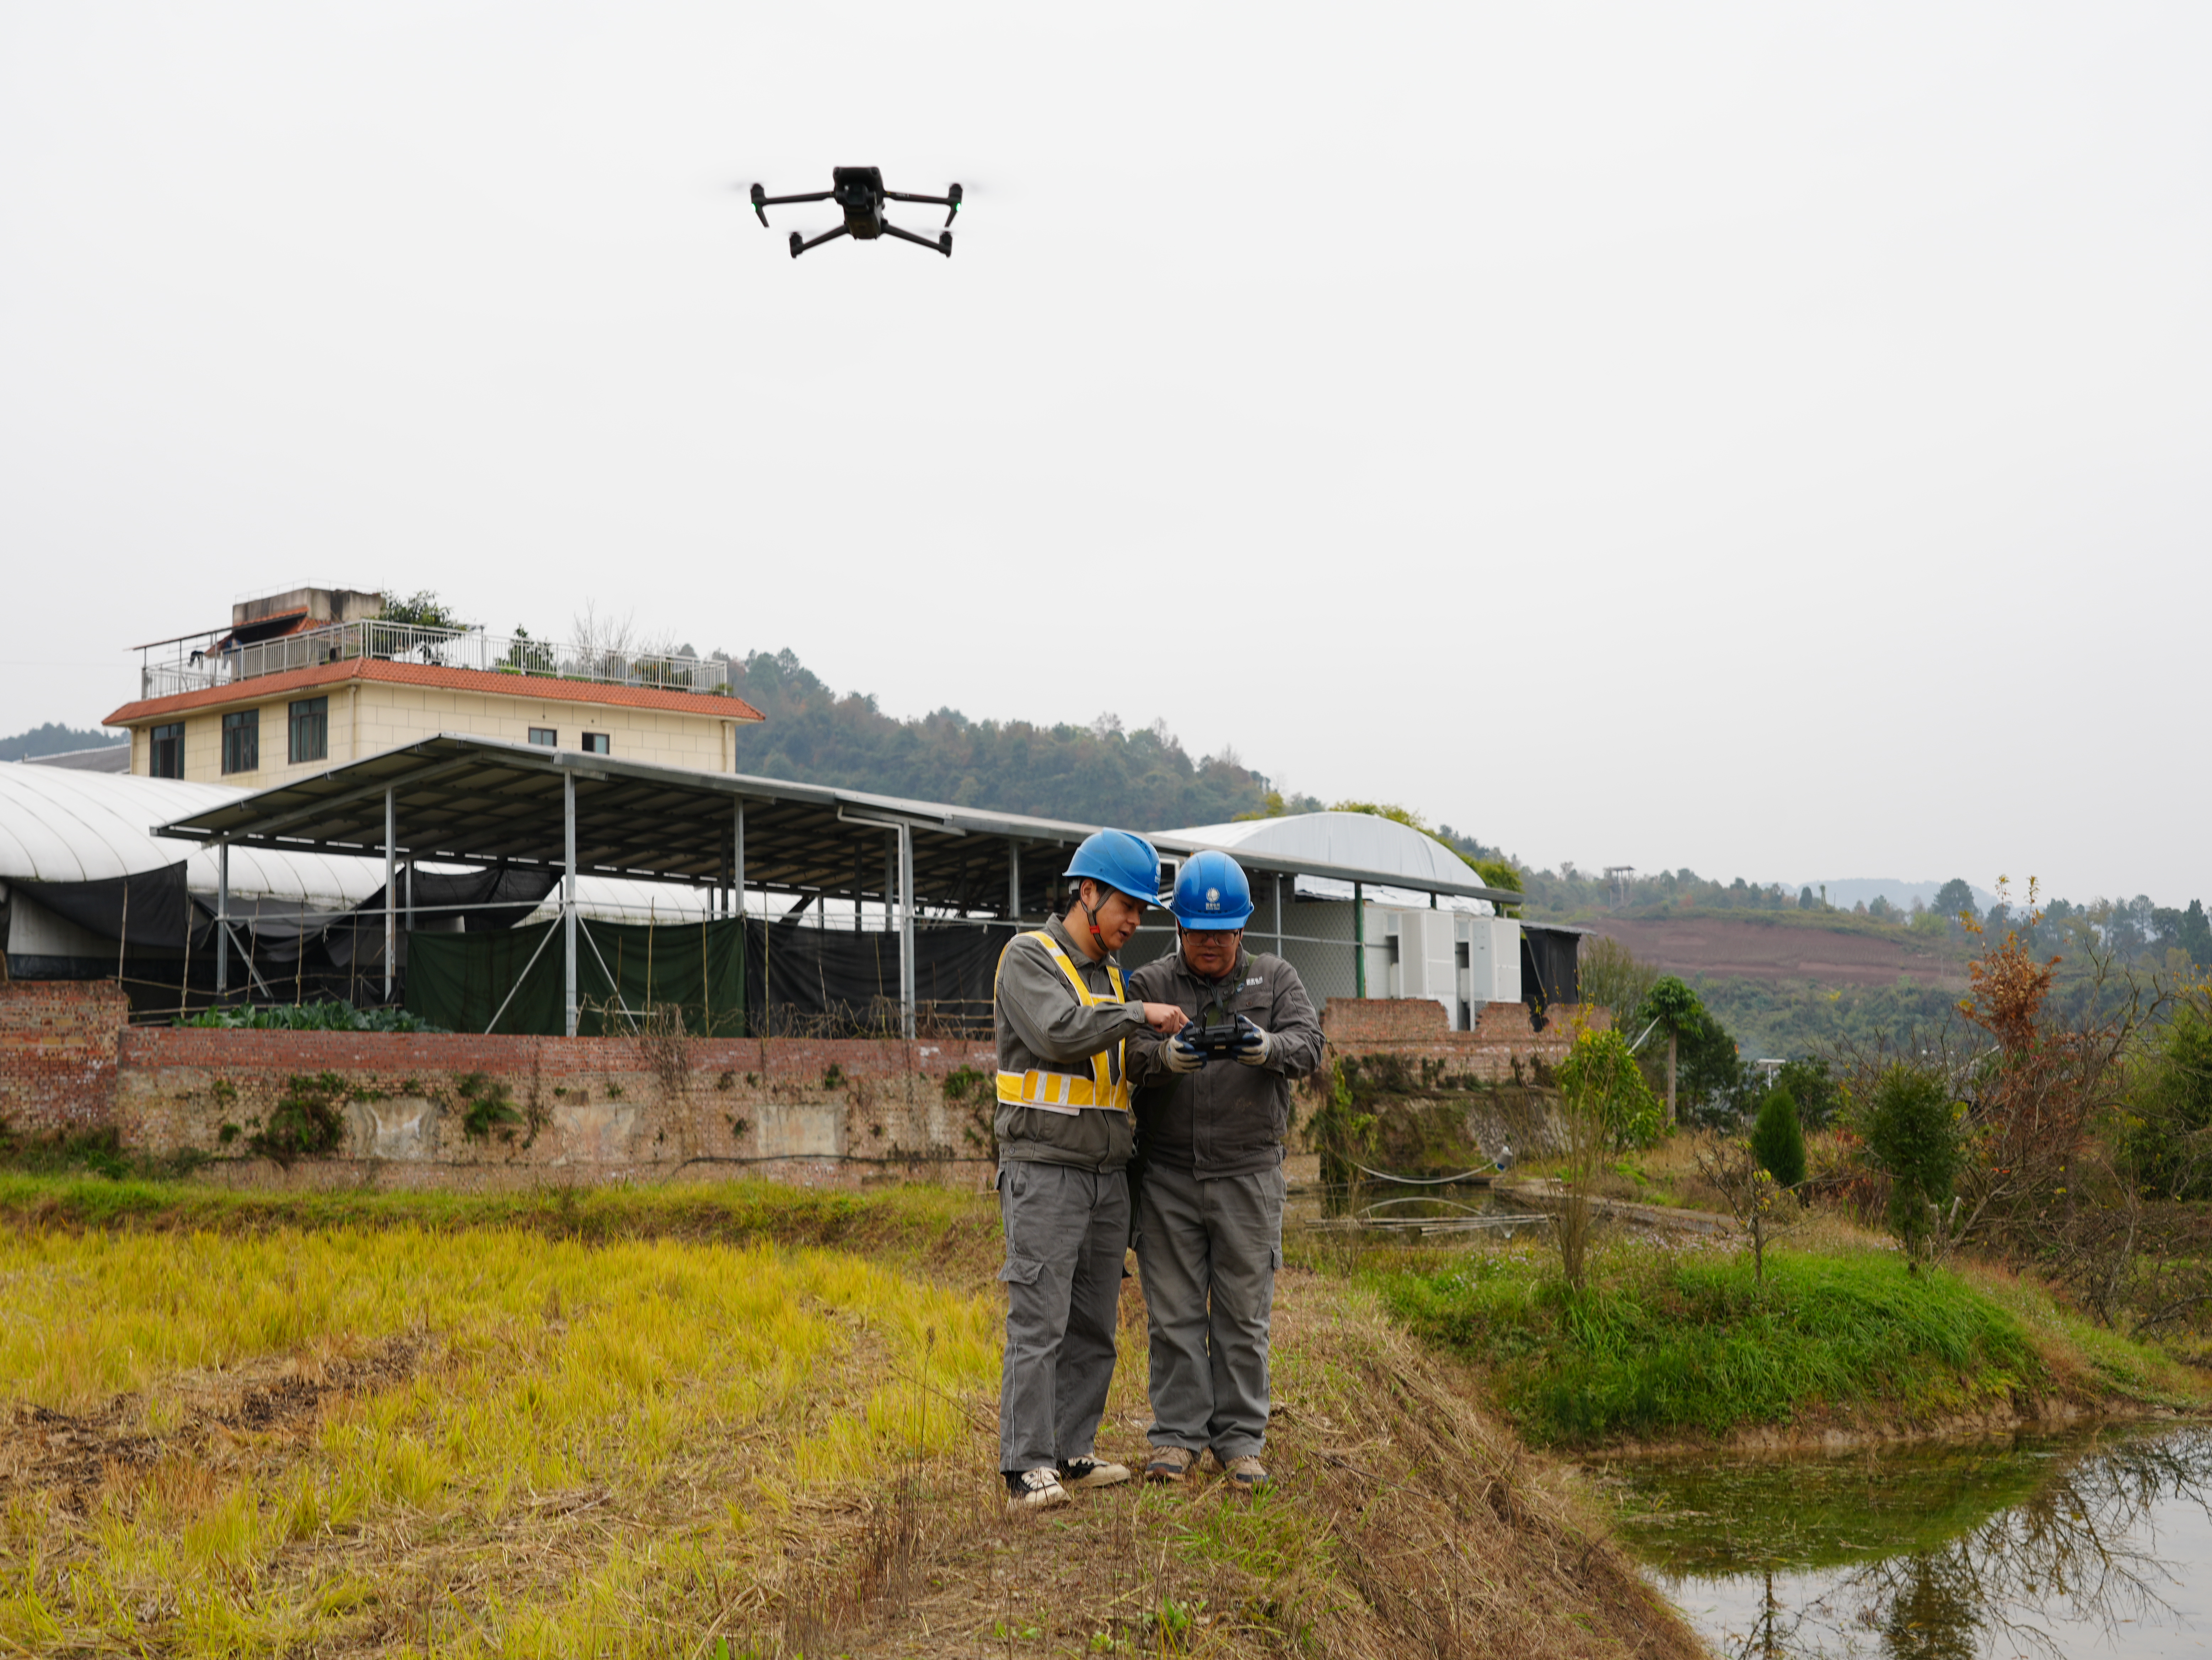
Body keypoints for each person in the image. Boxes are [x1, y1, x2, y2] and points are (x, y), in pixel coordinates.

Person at [992, 829, 1190, 1510]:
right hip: (1044, 1169)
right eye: (1126, 908)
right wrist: (1138, 1011)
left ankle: (1072, 1451)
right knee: (1039, 1320)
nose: (1134, 924)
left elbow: (1118, 1062)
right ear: (1087, 892)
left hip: (1107, 1175)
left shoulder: (1108, 975)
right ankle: (1025, 1465)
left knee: (1093, 1325)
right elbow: (1059, 1033)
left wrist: (1166, 1057)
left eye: (1141, 912)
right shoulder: (1031, 958)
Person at [1126, 850, 1322, 1490]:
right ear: (1178, 927)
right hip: (1169, 1177)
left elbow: (1310, 1048)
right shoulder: (1150, 985)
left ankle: (1239, 1441)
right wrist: (1167, 1060)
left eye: (1224, 931)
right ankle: (1178, 1437)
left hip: (1247, 1175)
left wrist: (1265, 1049)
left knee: (1243, 1314)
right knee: (1175, 1314)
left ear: (1243, 929)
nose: (1212, 943)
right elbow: (1125, 1055)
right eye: (1199, 931)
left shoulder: (1276, 979)